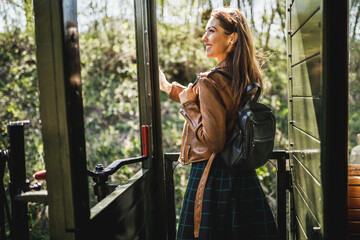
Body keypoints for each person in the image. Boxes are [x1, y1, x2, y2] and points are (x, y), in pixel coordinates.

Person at [159, 7, 279, 239]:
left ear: (232, 37)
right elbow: (210, 101)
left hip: (214, 177)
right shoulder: (242, 75)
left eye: (211, 31)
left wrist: (189, 107)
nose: (204, 38)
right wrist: (169, 89)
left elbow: (214, 140)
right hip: (242, 175)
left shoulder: (210, 80)